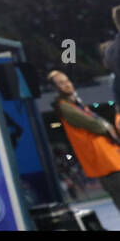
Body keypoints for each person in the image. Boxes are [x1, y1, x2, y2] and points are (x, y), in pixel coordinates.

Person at [46, 70, 120, 214]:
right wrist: (107, 127)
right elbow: (96, 125)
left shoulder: (76, 104)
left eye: (67, 81)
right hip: (104, 162)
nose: (67, 85)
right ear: (55, 88)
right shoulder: (64, 106)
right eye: (61, 83)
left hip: (111, 159)